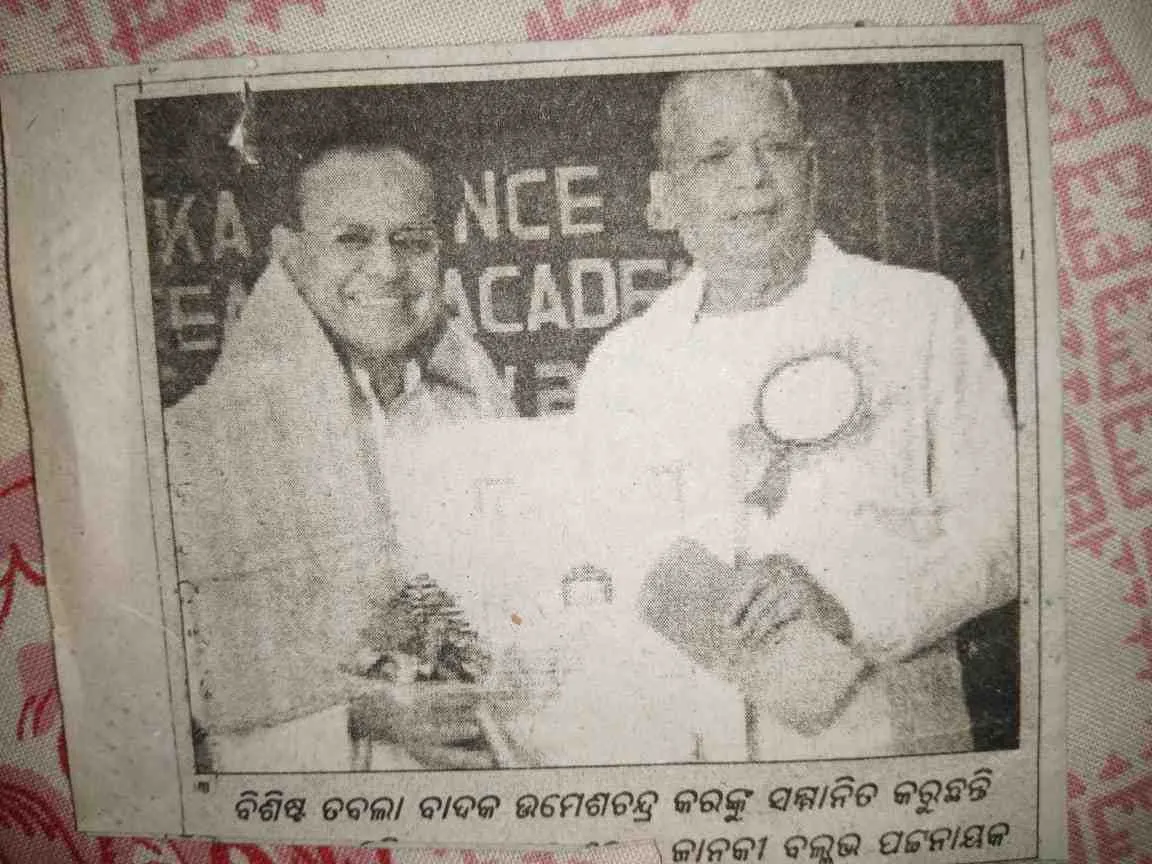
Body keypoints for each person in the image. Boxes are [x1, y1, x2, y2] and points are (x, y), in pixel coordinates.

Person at [577, 69, 1018, 759]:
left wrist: (848, 603)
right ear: (664, 197)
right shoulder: (621, 363)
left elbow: (1009, 531)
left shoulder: (920, 314)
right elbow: (607, 570)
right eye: (715, 156)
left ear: (812, 171)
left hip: (883, 754)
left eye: (776, 148)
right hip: (691, 766)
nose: (753, 176)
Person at [166, 144, 513, 771]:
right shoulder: (195, 444)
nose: (386, 268)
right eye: (352, 239)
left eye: (411, 241)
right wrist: (360, 715)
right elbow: (175, 715)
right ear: (290, 253)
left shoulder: (479, 413)